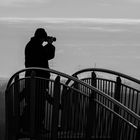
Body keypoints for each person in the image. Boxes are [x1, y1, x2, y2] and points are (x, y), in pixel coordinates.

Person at [21, 28, 56, 132]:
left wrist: (47, 44)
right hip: (38, 81)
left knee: (32, 104)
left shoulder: (31, 45)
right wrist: (49, 44)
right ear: (41, 37)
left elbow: (42, 55)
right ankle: (36, 127)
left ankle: (28, 126)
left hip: (32, 79)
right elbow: (47, 55)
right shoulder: (36, 47)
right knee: (38, 105)